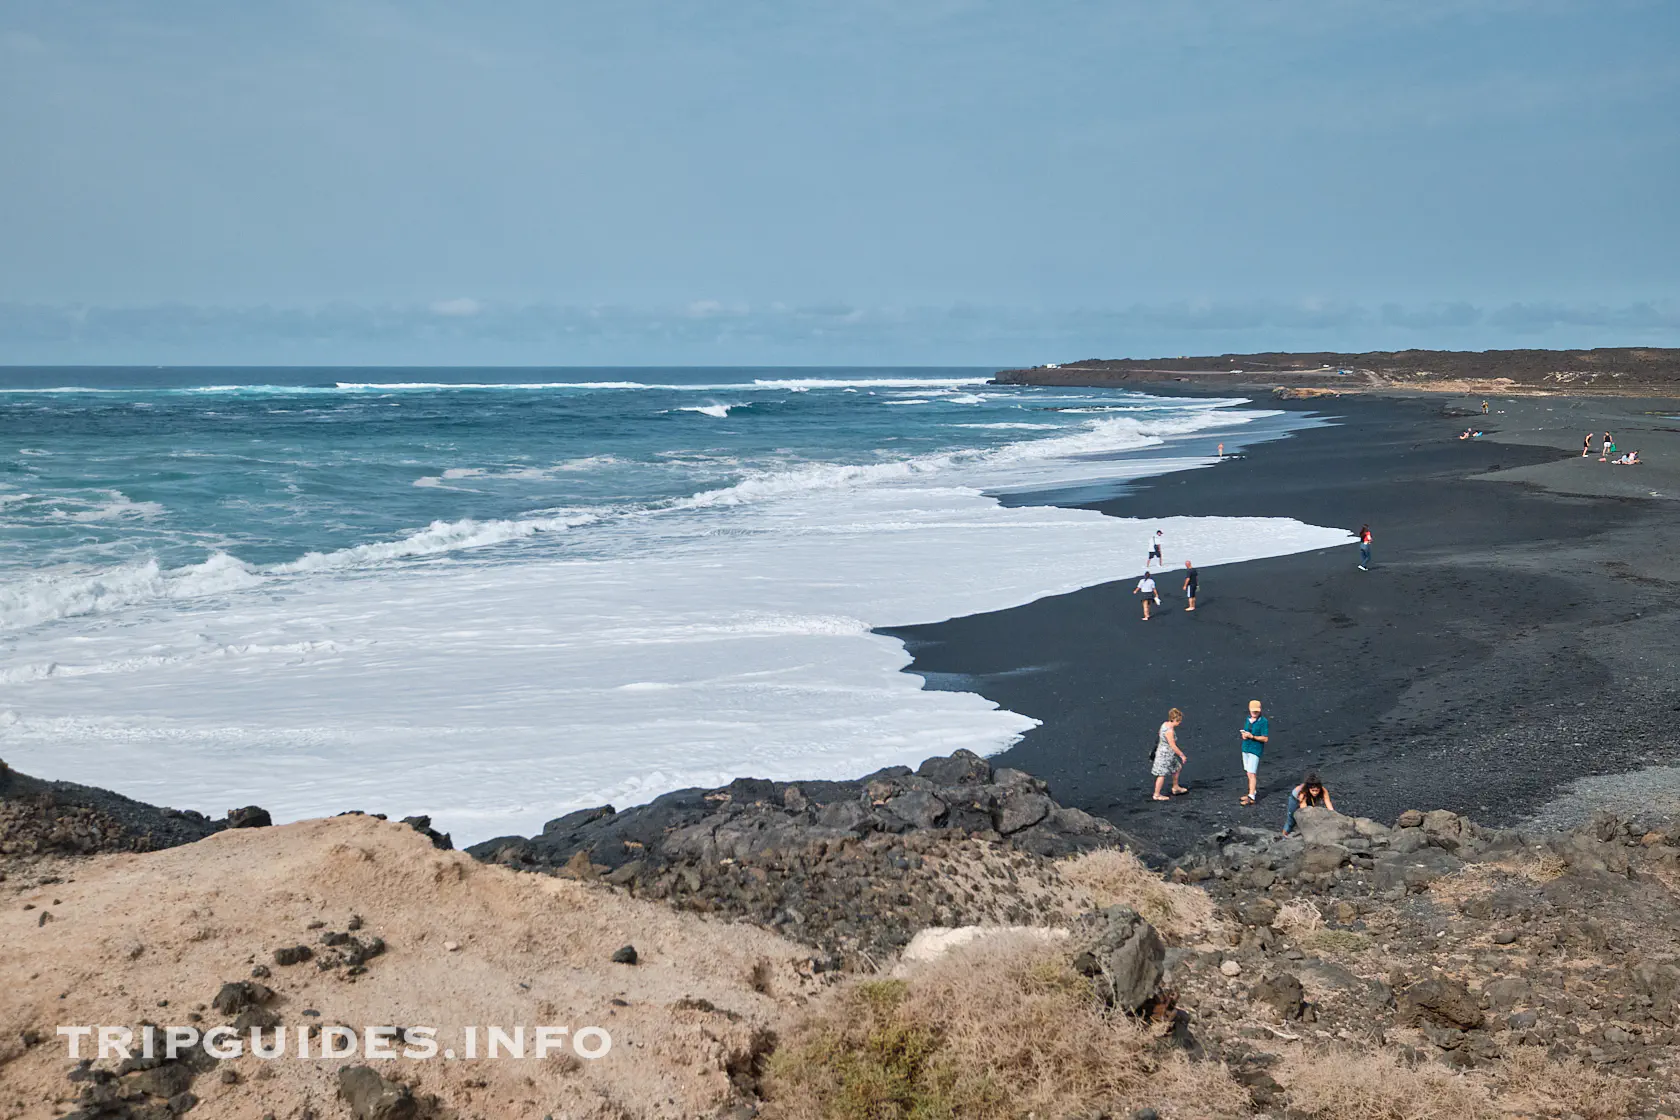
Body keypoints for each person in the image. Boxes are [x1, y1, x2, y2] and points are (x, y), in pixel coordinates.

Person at [1151, 708, 1188, 801]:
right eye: (1179, 721)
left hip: (1166, 753)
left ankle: (1175, 787)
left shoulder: (1164, 724)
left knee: (1177, 768)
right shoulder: (1169, 731)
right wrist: (1182, 755)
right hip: (1164, 755)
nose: (1179, 723)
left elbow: (1159, 734)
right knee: (1161, 774)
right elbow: (1173, 745)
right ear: (1174, 720)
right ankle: (1156, 795)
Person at [1283, 770, 1334, 835]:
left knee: (1312, 810)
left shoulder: (1324, 791)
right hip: (1296, 799)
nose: (1315, 793)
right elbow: (1303, 809)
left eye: (1317, 790)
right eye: (1313, 790)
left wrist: (1333, 814)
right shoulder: (1303, 792)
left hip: (1309, 797)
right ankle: (1283, 836)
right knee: (1291, 821)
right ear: (1309, 788)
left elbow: (1328, 803)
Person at [1239, 699, 1267, 805]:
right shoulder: (1248, 720)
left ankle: (1251, 796)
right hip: (1246, 748)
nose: (1255, 713)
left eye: (1257, 711)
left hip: (1255, 749)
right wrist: (1244, 735)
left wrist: (1252, 737)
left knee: (1252, 772)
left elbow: (1265, 738)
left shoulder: (1263, 722)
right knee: (1248, 771)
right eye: (1253, 711)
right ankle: (1252, 790)